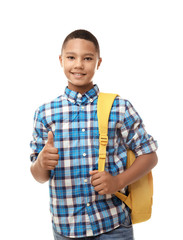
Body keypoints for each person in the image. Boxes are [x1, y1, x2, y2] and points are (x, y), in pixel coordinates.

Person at [30, 29, 158, 240]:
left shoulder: (119, 107)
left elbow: (150, 155)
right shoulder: (45, 113)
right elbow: (39, 176)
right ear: (61, 60)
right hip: (67, 227)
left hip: (114, 224)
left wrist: (118, 182)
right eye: (71, 57)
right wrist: (41, 163)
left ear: (98, 62)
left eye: (87, 58)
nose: (79, 64)